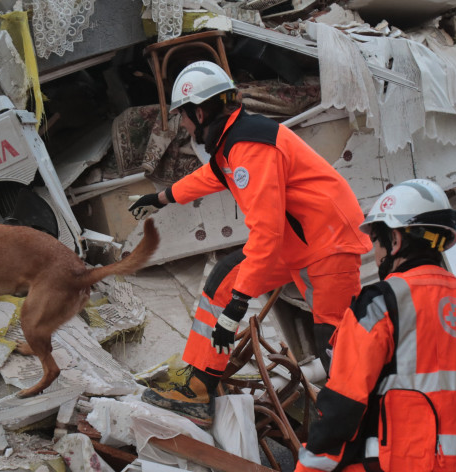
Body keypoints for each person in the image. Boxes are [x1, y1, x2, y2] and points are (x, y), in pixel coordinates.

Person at [252, 179, 456, 472]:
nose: (374, 254)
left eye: (375, 242)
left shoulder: (380, 303)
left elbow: (342, 408)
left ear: (395, 239)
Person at [129, 60, 371, 427]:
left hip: (327, 244)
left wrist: (240, 304)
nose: (182, 125)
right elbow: (213, 176)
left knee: (334, 342)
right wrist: (163, 198)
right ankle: (198, 387)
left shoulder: (250, 147)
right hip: (301, 241)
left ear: (199, 110)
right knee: (223, 279)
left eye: (183, 116)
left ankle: (357, 427)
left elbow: (267, 231)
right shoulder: (233, 141)